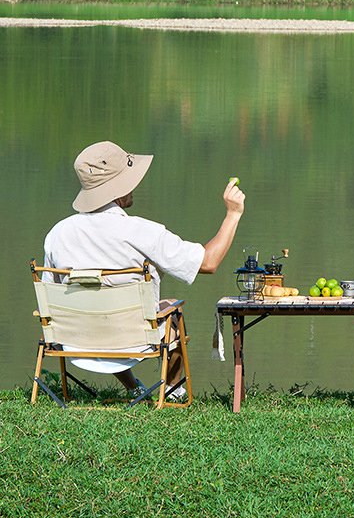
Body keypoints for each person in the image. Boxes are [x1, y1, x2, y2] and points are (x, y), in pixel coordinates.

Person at [43, 140, 245, 398]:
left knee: (100, 307)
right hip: (133, 341)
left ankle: (134, 388)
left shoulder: (57, 234)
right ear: (117, 189)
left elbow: (53, 294)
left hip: (74, 342)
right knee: (172, 309)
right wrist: (233, 214)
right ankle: (174, 391)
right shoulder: (141, 232)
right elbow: (208, 262)